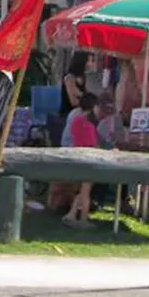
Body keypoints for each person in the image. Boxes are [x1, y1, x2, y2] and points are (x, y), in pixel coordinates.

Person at [52, 93, 103, 227]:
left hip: (78, 157)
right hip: (88, 160)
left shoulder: (76, 120)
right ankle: (83, 219)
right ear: (93, 107)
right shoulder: (88, 124)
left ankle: (71, 214)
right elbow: (92, 145)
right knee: (86, 191)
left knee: (80, 191)